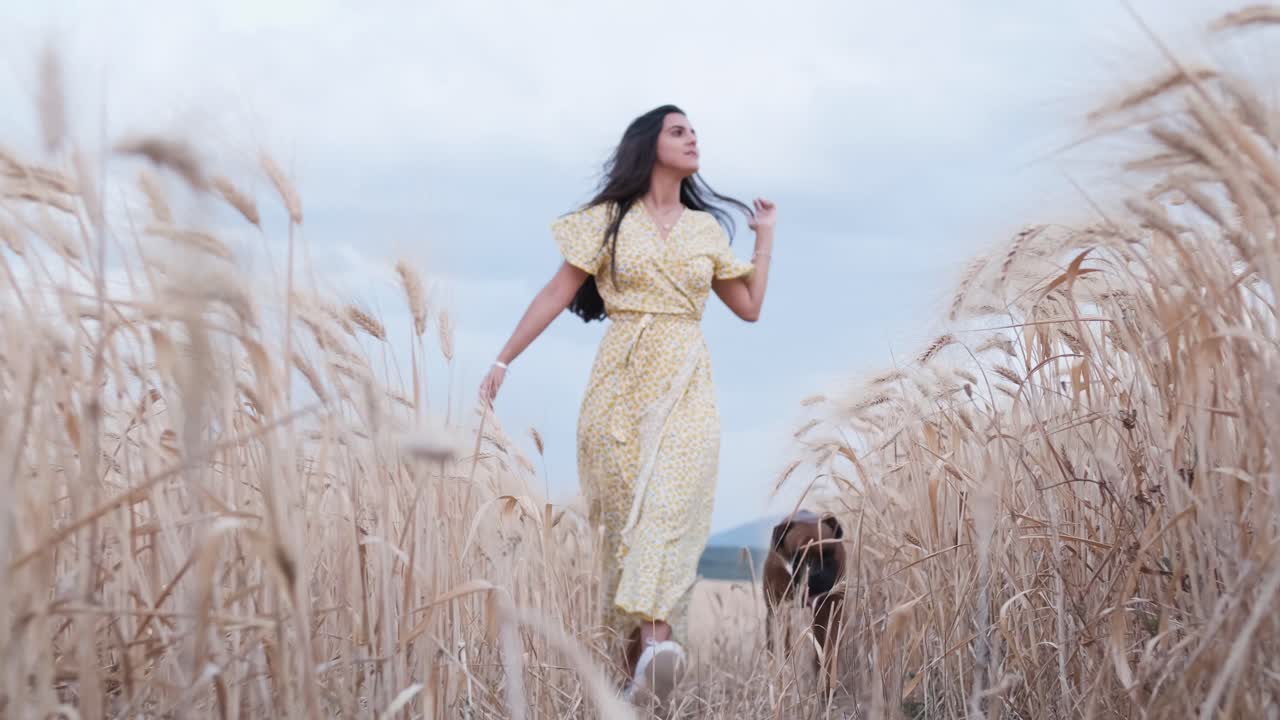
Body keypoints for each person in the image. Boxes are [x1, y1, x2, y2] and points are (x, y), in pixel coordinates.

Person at [478, 104, 775, 705]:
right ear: (649, 144)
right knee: (627, 533)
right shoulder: (608, 222)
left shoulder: (704, 230)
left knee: (668, 509)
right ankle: (639, 671)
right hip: (619, 385)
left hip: (687, 382)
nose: (693, 138)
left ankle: (659, 649)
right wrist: (504, 357)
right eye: (679, 131)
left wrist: (764, 237)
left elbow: (749, 307)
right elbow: (558, 292)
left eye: (695, 132)